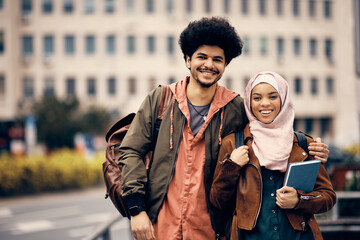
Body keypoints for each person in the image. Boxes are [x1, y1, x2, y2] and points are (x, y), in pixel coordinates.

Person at [118, 17, 330, 240]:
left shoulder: (235, 107)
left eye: (217, 59)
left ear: (225, 65)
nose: (209, 64)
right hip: (159, 225)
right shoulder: (160, 100)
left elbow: (269, 133)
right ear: (188, 60)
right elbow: (131, 151)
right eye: (202, 57)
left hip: (211, 229)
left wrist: (311, 146)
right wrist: (136, 209)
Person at [210, 71, 336, 240]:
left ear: (283, 100)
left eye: (272, 97)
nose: (265, 104)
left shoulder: (304, 144)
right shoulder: (233, 143)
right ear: (248, 101)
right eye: (257, 98)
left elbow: (328, 196)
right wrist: (232, 166)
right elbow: (218, 202)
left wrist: (300, 199)